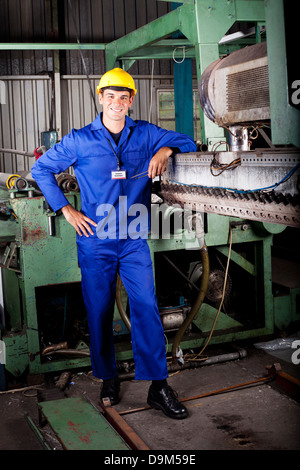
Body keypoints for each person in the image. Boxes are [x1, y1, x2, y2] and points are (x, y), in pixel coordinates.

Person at [31, 68, 197, 419]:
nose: (117, 103)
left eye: (124, 97)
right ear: (100, 97)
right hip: (96, 240)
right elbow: (42, 169)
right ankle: (107, 377)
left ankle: (158, 386)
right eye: (111, 96)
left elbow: (189, 141)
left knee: (146, 308)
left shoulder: (147, 133)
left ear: (131, 100)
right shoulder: (79, 140)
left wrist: (165, 149)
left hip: (134, 240)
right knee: (99, 311)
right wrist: (66, 210)